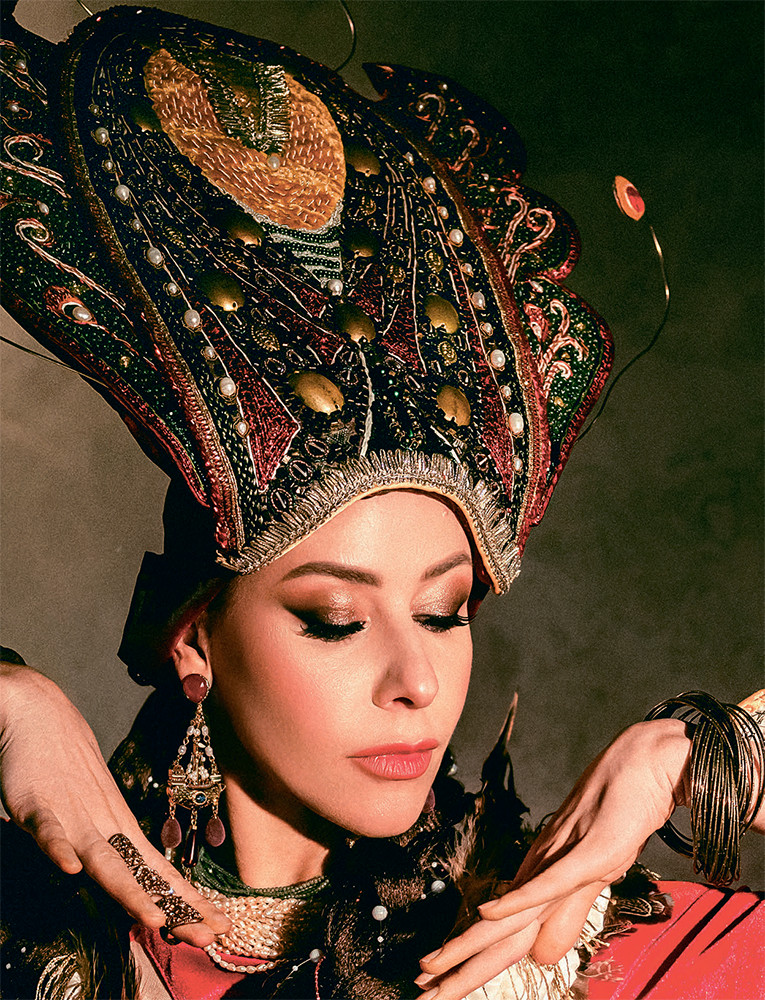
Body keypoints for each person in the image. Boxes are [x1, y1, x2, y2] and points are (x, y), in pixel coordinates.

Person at [0, 3, 763, 999]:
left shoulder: (576, 951)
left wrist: (708, 757)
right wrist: (11, 700)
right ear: (194, 640)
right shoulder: (34, 940)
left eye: (445, 612)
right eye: (336, 619)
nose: (418, 681)